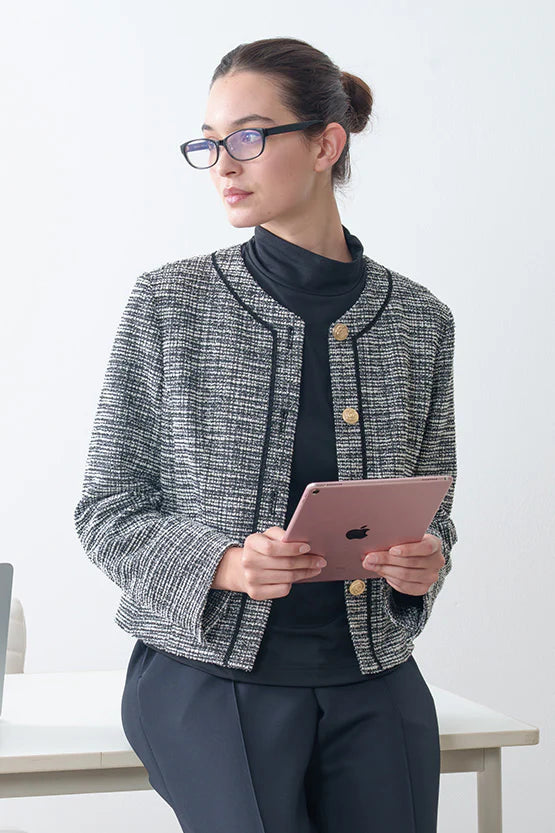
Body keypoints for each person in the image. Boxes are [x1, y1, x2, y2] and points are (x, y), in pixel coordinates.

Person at [74, 36, 458, 833]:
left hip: (373, 680)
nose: (223, 163)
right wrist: (223, 562)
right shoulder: (168, 305)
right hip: (210, 684)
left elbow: (435, 504)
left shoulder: (419, 321)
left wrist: (424, 562)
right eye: (209, 143)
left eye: (247, 137)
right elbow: (108, 508)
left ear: (325, 142)